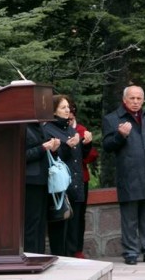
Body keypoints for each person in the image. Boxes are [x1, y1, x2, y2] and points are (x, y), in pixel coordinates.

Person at [102, 85, 145, 265]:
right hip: (129, 175)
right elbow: (107, 146)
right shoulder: (112, 119)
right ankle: (131, 253)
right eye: (132, 98)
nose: (136, 102)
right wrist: (120, 135)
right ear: (124, 100)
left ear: (143, 100)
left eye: (139, 98)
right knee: (130, 219)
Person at [43, 95, 89, 257]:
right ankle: (60, 258)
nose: (68, 110)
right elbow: (52, 158)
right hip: (60, 186)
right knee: (59, 226)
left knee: (73, 226)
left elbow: (80, 156)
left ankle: (71, 257)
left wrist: (85, 144)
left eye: (68, 107)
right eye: (63, 107)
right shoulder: (47, 129)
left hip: (75, 182)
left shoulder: (70, 128)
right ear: (53, 111)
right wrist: (67, 147)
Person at [68, 103, 99, 259]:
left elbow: (92, 155)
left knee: (79, 215)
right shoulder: (53, 128)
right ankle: (66, 248)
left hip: (81, 178)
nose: (69, 115)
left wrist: (86, 144)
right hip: (63, 179)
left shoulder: (81, 129)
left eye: (71, 111)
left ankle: (77, 249)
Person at [24, 123, 60, 254]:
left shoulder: (40, 127)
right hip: (30, 181)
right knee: (31, 222)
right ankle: (31, 254)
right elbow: (21, 155)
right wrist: (43, 148)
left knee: (40, 222)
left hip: (43, 179)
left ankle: (39, 254)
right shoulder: (22, 127)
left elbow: (47, 154)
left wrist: (54, 149)